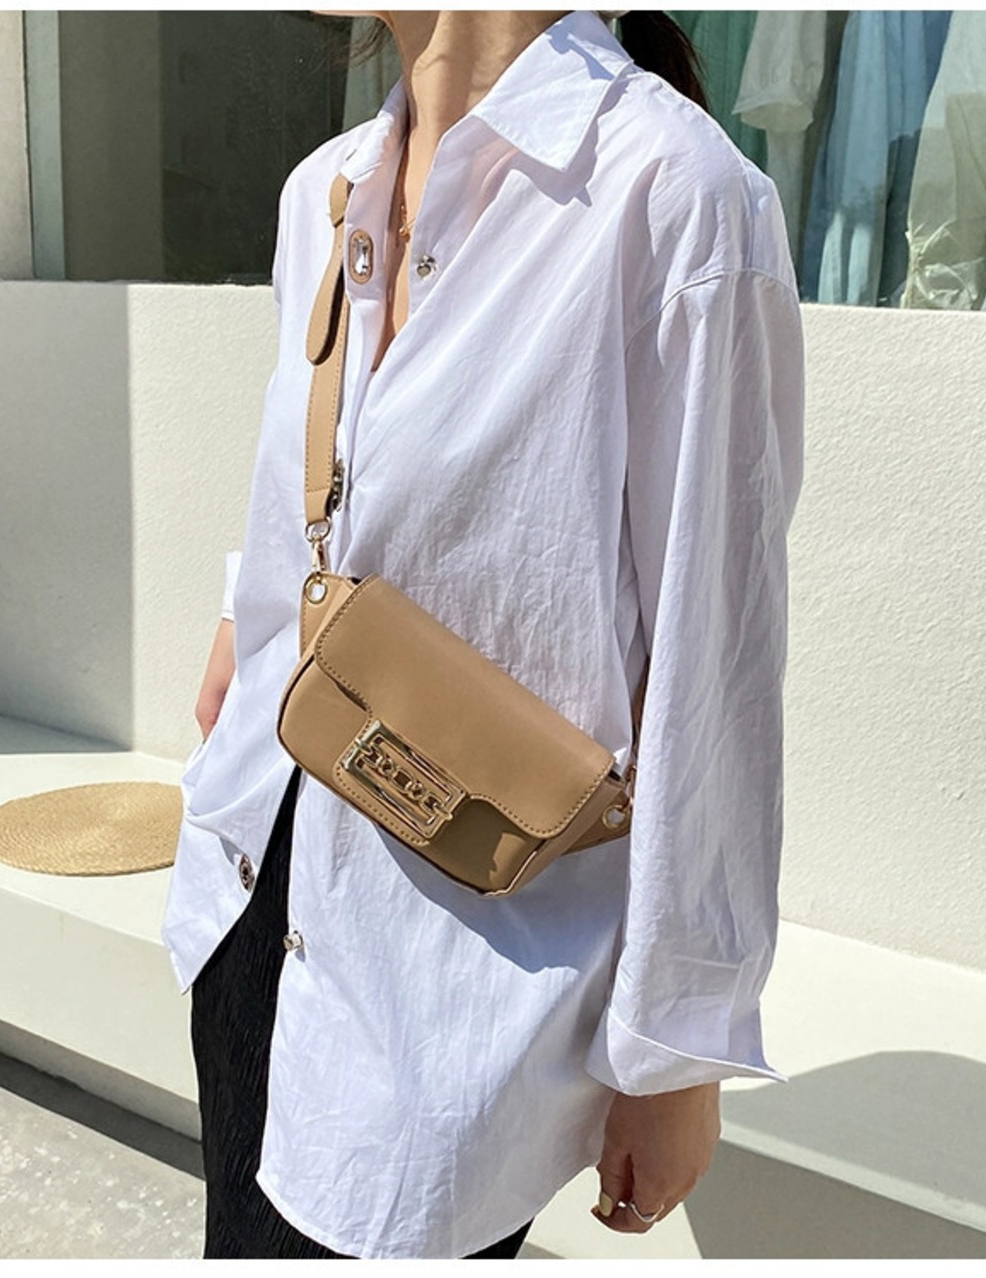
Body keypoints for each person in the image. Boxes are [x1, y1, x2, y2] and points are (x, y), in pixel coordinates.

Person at [162, 8, 804, 1261]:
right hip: (251, 881)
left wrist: (677, 1050)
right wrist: (250, 615)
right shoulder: (326, 188)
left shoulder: (673, 200)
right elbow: (333, 479)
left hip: (456, 962)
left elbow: (715, 655)